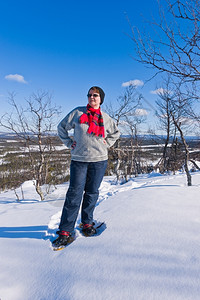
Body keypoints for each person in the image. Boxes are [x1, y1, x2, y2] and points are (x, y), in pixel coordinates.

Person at [52, 86, 120, 249]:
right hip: (79, 160)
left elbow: (115, 133)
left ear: (101, 98)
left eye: (95, 95)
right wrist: (69, 143)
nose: (91, 97)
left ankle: (87, 223)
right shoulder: (77, 113)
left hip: (99, 160)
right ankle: (65, 231)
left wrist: (107, 144)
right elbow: (61, 128)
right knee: (74, 194)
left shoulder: (105, 117)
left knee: (91, 193)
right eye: (89, 95)